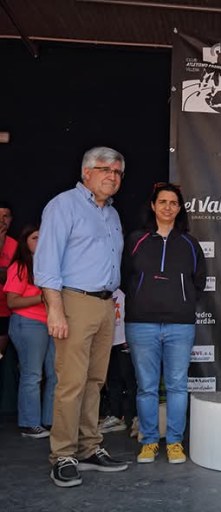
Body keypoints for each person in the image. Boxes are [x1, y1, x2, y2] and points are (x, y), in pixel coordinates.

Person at [35, 146, 128, 488]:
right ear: (86, 172)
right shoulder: (64, 205)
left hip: (105, 304)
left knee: (95, 381)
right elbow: (46, 262)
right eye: (105, 169)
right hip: (74, 301)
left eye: (118, 172)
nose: (112, 176)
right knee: (71, 383)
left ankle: (89, 447)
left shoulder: (111, 214)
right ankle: (63, 455)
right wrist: (55, 310)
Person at [124, 183, 206, 463]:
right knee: (146, 387)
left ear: (179, 208)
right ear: (153, 205)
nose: (168, 207)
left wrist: (180, 301)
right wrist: (142, 298)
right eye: (162, 202)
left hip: (179, 325)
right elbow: (124, 276)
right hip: (141, 324)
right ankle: (149, 441)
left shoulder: (189, 243)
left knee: (177, 386)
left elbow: (199, 281)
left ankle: (174, 442)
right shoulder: (136, 239)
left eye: (173, 203)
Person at [4, 225, 56, 438]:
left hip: (51, 323)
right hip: (28, 323)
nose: (40, 241)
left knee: (55, 374)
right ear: (25, 242)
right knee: (32, 374)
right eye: (35, 238)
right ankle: (29, 424)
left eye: (43, 237)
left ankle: (50, 421)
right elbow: (12, 302)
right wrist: (42, 297)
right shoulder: (20, 266)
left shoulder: (51, 265)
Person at [98, 288, 137, 435]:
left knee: (130, 380)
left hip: (124, 340)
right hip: (109, 341)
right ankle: (116, 416)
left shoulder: (127, 289)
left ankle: (135, 418)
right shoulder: (100, 290)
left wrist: (129, 337)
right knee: (112, 380)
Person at [0, 200, 18, 360]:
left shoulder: (16, 245)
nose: (1, 220)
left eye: (5, 216)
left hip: (4, 310)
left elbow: (9, 279)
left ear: (11, 220)